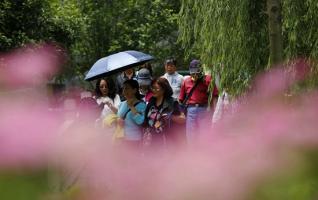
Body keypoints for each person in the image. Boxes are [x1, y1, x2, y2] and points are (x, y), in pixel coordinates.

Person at [179, 59, 218, 144]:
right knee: (191, 134)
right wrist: (181, 113)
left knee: (204, 133)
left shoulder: (208, 79)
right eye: (193, 72)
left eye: (197, 72)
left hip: (204, 109)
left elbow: (215, 95)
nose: (195, 74)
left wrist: (214, 111)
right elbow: (181, 99)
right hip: (190, 110)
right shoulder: (186, 81)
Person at [143, 77, 185, 151]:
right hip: (151, 140)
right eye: (152, 88)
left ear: (164, 89)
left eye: (156, 88)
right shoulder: (151, 101)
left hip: (168, 140)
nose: (153, 90)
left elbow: (182, 120)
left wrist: (167, 117)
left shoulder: (172, 102)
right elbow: (146, 120)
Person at [117, 79, 146, 150]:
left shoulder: (142, 105)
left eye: (127, 88)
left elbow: (140, 122)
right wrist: (118, 120)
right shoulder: (122, 103)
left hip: (135, 140)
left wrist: (131, 107)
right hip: (122, 138)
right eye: (123, 88)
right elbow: (118, 117)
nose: (124, 91)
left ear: (134, 90)